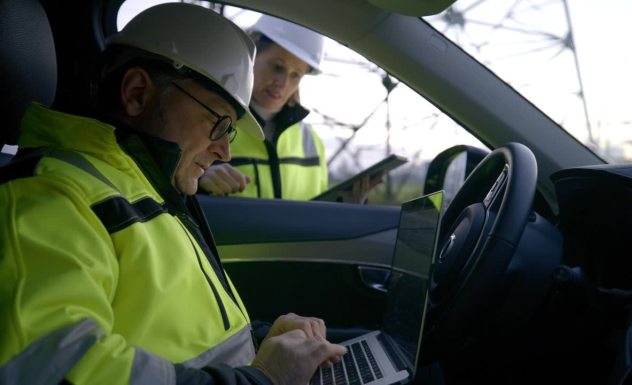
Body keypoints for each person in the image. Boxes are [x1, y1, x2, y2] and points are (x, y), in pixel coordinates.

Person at [0, 3, 345, 385]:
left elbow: (184, 332)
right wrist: (262, 379)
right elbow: (53, 371)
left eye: (229, 132)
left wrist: (264, 341)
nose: (225, 152)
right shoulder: (50, 197)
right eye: (218, 123)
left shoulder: (149, 189)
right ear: (136, 93)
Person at [198, 15, 383, 203]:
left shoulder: (311, 142)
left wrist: (346, 207)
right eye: (277, 67)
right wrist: (199, 182)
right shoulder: (209, 124)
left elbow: (317, 217)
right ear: (250, 56)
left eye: (296, 75)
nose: (283, 84)